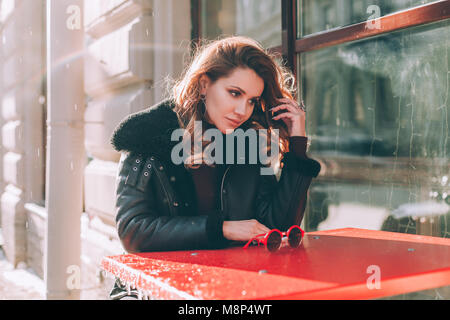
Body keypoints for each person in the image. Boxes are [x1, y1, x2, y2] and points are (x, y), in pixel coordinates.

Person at [110, 36, 321, 254]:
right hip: (159, 285)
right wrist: (221, 229)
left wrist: (297, 142)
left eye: (252, 101)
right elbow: (133, 231)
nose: (242, 110)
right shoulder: (147, 135)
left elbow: (277, 226)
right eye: (235, 93)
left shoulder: (246, 145)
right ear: (203, 84)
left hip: (231, 282)